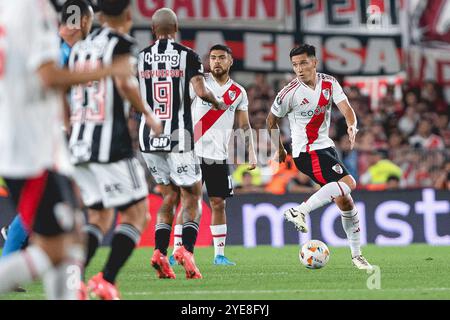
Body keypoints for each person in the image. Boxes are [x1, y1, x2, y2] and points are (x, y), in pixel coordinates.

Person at [0, 0, 133, 299]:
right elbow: (49, 77)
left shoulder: (11, 8)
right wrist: (108, 70)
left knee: (70, 240)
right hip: (31, 147)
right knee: (56, 248)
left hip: (35, 141)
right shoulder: (35, 12)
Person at [67, 0, 162, 299]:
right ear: (129, 15)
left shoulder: (79, 46)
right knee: (137, 215)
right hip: (111, 145)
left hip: (79, 144)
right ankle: (106, 280)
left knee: (99, 217)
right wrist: (147, 113)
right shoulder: (121, 43)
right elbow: (124, 82)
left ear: (100, 15)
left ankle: (74, 279)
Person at [0, 1, 96, 287]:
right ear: (78, 22)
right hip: (36, 143)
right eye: (88, 21)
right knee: (59, 229)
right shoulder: (51, 44)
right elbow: (50, 81)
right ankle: (10, 257)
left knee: (71, 224)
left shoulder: (52, 43)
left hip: (51, 139)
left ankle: (62, 282)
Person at [138, 8, 227, 279]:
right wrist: (216, 101)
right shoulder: (187, 56)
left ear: (153, 30)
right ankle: (186, 250)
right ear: (176, 28)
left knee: (168, 196)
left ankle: (158, 252)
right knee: (191, 195)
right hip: (178, 137)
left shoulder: (140, 58)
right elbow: (200, 90)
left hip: (148, 137)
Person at [266, 44, 372, 270]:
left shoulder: (329, 82)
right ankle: (300, 211)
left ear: (315, 62)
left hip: (326, 149)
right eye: (295, 65)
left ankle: (356, 256)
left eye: (303, 63)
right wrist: (279, 148)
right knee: (349, 183)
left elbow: (346, 108)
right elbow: (270, 121)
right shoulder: (289, 93)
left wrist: (352, 125)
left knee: (345, 200)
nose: (299, 69)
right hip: (306, 152)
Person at [169, 44, 257, 266]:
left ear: (230, 61)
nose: (216, 61)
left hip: (218, 155)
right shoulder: (199, 83)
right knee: (187, 201)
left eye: (221, 58)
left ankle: (219, 255)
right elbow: (179, 109)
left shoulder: (238, 92)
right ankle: (177, 250)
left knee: (218, 203)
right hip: (193, 152)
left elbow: (244, 126)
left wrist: (252, 153)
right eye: (213, 58)